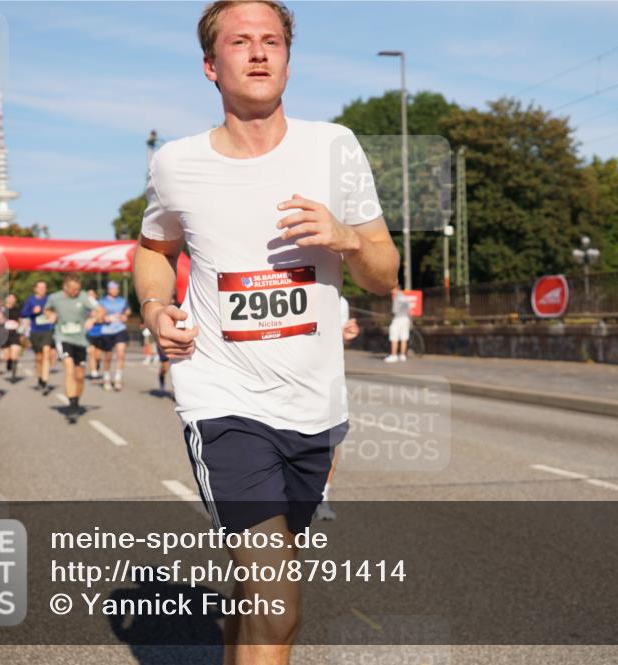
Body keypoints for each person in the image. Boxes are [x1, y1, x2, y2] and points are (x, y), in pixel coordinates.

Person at [132, 2, 399, 661]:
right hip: (221, 398)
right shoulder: (177, 163)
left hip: (315, 410)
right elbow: (152, 249)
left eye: (272, 41)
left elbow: (384, 273)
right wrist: (153, 306)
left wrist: (344, 237)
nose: (258, 52)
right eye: (240, 42)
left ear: (288, 57)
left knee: (257, 592)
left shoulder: (333, 147)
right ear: (210, 65)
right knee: (279, 603)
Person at [314, 296, 362, 521]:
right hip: (283, 383)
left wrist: (345, 335)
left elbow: (335, 339)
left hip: (326, 382)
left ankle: (322, 497)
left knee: (330, 442)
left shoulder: (338, 299)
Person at [44, 274, 104, 423]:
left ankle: (76, 401)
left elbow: (101, 310)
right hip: (63, 337)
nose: (76, 292)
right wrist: (50, 315)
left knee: (80, 375)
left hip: (81, 340)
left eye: (78, 289)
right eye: (73, 290)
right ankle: (71, 405)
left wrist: (93, 318)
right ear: (65, 287)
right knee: (69, 369)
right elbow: (47, 310)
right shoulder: (54, 298)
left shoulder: (84, 297)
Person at [22, 281, 56, 394]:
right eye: (40, 287)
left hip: (48, 330)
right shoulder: (30, 300)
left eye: (44, 287)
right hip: (36, 331)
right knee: (39, 358)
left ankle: (45, 382)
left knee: (46, 354)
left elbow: (56, 311)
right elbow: (23, 313)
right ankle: (40, 378)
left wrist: (52, 315)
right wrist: (32, 311)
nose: (42, 289)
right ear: (35, 289)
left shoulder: (50, 299)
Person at [97, 280, 131, 391]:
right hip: (107, 330)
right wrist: (104, 318)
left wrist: (125, 315)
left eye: (116, 289)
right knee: (108, 356)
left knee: (121, 354)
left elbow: (127, 311)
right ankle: (106, 378)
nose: (115, 291)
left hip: (120, 329)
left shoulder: (122, 301)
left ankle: (117, 379)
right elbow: (98, 315)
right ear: (108, 290)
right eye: (113, 288)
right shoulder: (102, 301)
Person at [385, 287, 412, 363]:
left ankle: (394, 355)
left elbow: (394, 310)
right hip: (405, 318)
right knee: (404, 338)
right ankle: (402, 355)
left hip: (398, 319)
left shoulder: (397, 297)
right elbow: (409, 310)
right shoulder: (404, 296)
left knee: (394, 337)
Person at [0, 293, 23, 381]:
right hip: (4, 334)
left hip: (14, 334)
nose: (11, 300)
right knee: (7, 355)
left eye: (13, 298)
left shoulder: (17, 310)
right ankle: (8, 362)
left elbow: (20, 321)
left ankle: (13, 375)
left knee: (15, 353)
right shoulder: (2, 310)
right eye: (10, 298)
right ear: (6, 299)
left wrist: (20, 330)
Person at [85, 289, 104, 383]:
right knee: (91, 353)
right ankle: (93, 373)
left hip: (99, 332)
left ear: (95, 295)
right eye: (88, 294)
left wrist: (95, 318)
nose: (90, 296)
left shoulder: (100, 305)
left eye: (92, 294)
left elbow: (102, 318)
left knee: (98, 356)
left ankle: (96, 366)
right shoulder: (84, 306)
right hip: (89, 333)